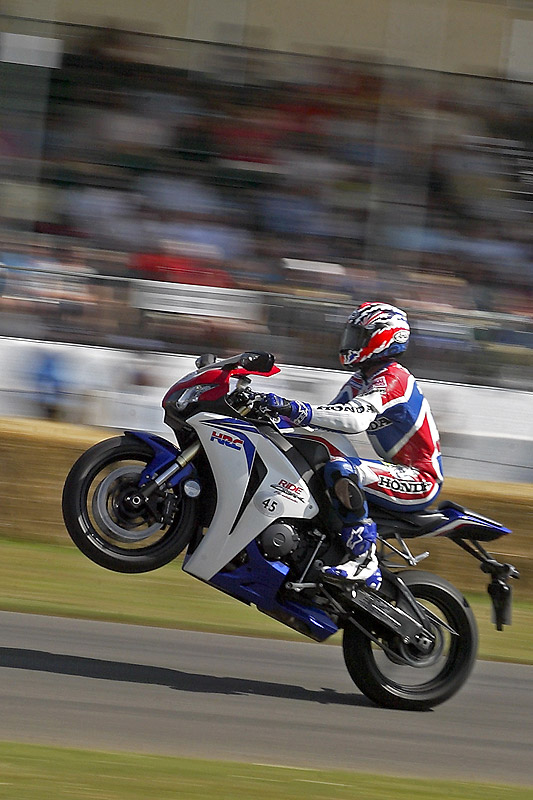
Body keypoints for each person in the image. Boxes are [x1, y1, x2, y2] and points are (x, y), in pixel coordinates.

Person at [262, 302, 443, 591]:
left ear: (383, 337)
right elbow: (324, 421)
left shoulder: (393, 378)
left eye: (358, 336)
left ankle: (364, 560)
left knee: (341, 469)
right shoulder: (363, 379)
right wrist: (272, 416)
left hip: (421, 479)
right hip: (399, 471)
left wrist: (296, 409)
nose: (349, 342)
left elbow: (354, 419)